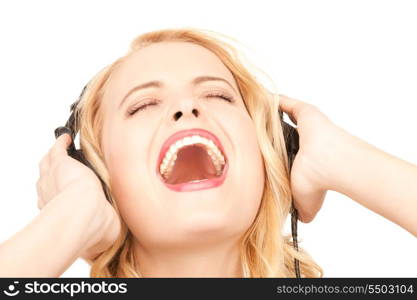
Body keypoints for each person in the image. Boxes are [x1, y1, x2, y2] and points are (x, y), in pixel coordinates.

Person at [0, 28, 415, 278]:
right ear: (95, 170)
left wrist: (345, 161)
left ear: (274, 152)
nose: (187, 109)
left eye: (217, 95)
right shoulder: (83, 201)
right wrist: (75, 212)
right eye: (144, 104)